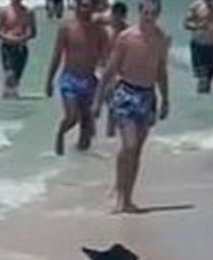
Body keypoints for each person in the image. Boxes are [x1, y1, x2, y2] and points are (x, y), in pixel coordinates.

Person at [92, 0, 170, 213]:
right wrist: (98, 101)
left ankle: (128, 198)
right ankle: (119, 190)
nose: (149, 17)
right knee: (129, 145)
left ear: (158, 14)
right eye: (146, 12)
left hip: (148, 95)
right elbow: (110, 70)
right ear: (139, 12)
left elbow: (161, 71)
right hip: (126, 93)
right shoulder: (126, 38)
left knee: (136, 151)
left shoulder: (161, 39)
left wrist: (165, 99)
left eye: (153, 13)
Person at [46, 0, 110, 154]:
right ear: (77, 6)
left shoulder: (100, 31)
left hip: (89, 80)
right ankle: (60, 134)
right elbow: (56, 56)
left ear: (94, 8)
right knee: (72, 116)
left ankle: (80, 163)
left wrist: (107, 85)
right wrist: (49, 81)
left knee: (87, 125)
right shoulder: (66, 28)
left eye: (88, 6)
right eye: (82, 5)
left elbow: (105, 61)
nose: (84, 9)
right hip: (70, 79)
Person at [182, 0, 213, 94]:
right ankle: (200, 101)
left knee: (209, 79)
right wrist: (199, 26)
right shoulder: (196, 6)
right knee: (203, 79)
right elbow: (186, 23)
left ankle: (203, 103)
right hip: (199, 47)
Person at [0, 0, 38, 98]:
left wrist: (22, 38)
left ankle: (12, 102)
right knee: (9, 74)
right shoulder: (4, 12)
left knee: (16, 78)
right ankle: (7, 97)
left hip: (21, 48)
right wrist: (9, 38)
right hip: (7, 48)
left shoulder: (28, 12)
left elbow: (33, 33)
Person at [102, 2, 130, 137]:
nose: (117, 19)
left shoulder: (127, 32)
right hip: (104, 71)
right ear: (112, 15)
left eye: (120, 17)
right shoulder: (105, 30)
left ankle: (112, 135)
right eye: (115, 16)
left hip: (121, 73)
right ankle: (110, 135)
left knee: (114, 106)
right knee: (111, 106)